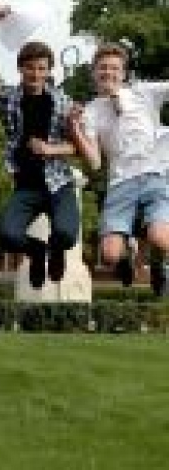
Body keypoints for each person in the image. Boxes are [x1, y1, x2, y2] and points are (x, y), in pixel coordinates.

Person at [0, 6, 79, 288]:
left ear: (48, 71)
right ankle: (37, 252)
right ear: (21, 68)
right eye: (30, 67)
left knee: (67, 235)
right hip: (26, 187)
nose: (35, 73)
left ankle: (57, 250)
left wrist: (50, 149)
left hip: (59, 185)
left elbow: (79, 147)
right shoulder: (8, 99)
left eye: (41, 68)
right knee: (8, 236)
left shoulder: (63, 102)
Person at [69, 42, 169, 296]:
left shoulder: (144, 93)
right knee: (110, 255)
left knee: (160, 238)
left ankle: (159, 264)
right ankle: (126, 257)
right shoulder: (90, 112)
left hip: (154, 177)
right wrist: (74, 129)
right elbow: (94, 162)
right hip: (120, 184)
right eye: (102, 68)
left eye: (114, 69)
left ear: (123, 74)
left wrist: (119, 98)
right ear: (94, 73)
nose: (108, 73)